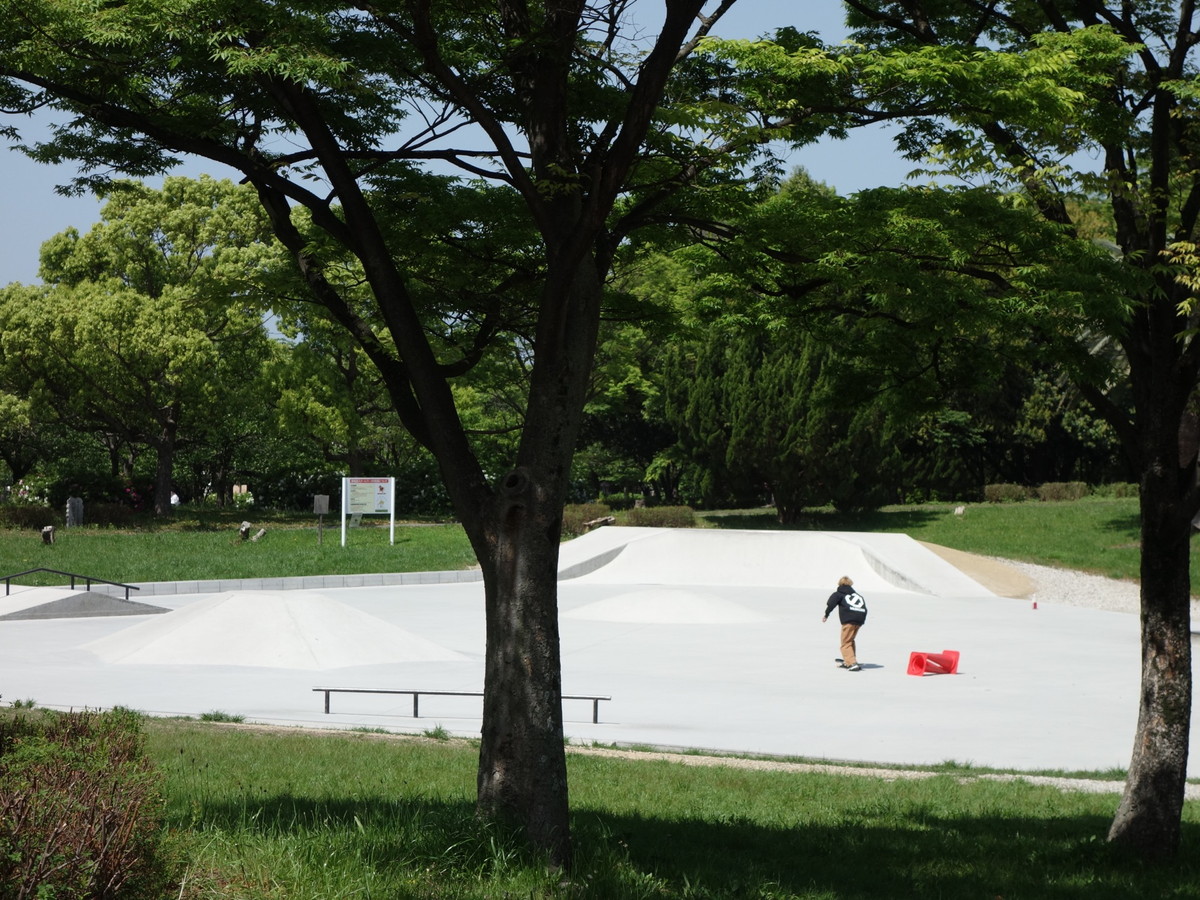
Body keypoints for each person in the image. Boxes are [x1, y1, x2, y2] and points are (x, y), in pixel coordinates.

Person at [823, 575, 868, 671]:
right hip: (859, 620)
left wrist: (826, 614)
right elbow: (865, 608)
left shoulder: (839, 594)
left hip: (849, 621)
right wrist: (861, 620)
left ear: (840, 584)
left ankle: (852, 663)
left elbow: (831, 603)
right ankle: (849, 660)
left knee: (845, 642)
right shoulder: (858, 595)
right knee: (850, 640)